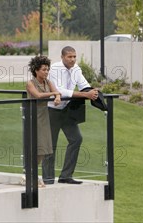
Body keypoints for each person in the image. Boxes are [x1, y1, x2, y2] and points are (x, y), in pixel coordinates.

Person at [43, 46, 99, 185]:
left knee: (76, 139)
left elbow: (84, 86)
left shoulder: (76, 69)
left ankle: (66, 176)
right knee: (51, 145)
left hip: (67, 110)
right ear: (62, 57)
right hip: (51, 110)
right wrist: (85, 94)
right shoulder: (54, 69)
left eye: (74, 56)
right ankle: (48, 178)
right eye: (70, 57)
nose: (73, 59)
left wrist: (95, 92)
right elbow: (60, 91)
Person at [26, 55, 61, 187]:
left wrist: (57, 96)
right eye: (44, 69)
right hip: (33, 116)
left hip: (44, 117)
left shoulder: (48, 82)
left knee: (44, 148)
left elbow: (57, 92)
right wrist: (55, 95)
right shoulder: (31, 83)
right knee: (36, 147)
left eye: (47, 69)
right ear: (36, 70)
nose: (46, 72)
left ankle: (32, 174)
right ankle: (31, 175)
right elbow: (38, 95)